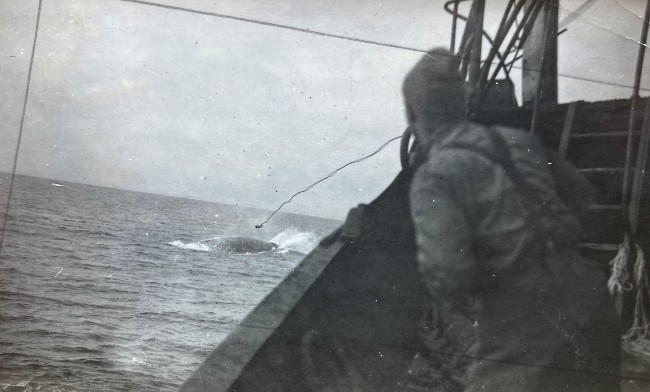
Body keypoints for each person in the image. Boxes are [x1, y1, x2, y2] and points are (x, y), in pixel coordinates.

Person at [402, 48, 621, 391]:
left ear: (413, 115)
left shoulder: (435, 175)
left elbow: (447, 272)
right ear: (462, 103)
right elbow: (582, 193)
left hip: (527, 318)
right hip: (592, 300)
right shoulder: (520, 141)